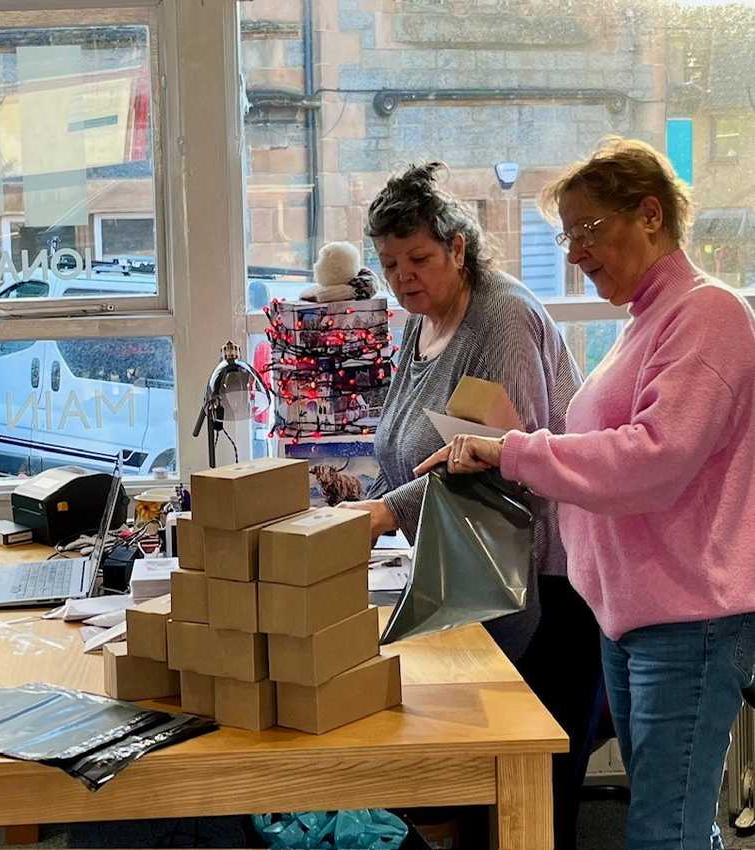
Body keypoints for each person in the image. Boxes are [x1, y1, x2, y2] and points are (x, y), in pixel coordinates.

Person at [418, 137, 755, 850]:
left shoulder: (708, 316)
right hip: (632, 616)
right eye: (567, 237)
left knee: (665, 831)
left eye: (588, 230)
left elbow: (653, 460)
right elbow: (601, 449)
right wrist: (510, 450)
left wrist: (515, 451)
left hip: (689, 622)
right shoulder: (644, 324)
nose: (574, 253)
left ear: (651, 215)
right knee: (679, 820)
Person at [338, 162, 601, 850]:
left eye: (419, 258)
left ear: (458, 247)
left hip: (545, 589)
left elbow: (501, 461)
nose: (402, 278)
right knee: (452, 793)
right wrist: (362, 497)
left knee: (526, 811)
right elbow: (410, 446)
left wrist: (385, 515)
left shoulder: (503, 318)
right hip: (470, 585)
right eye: (389, 262)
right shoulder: (418, 328)